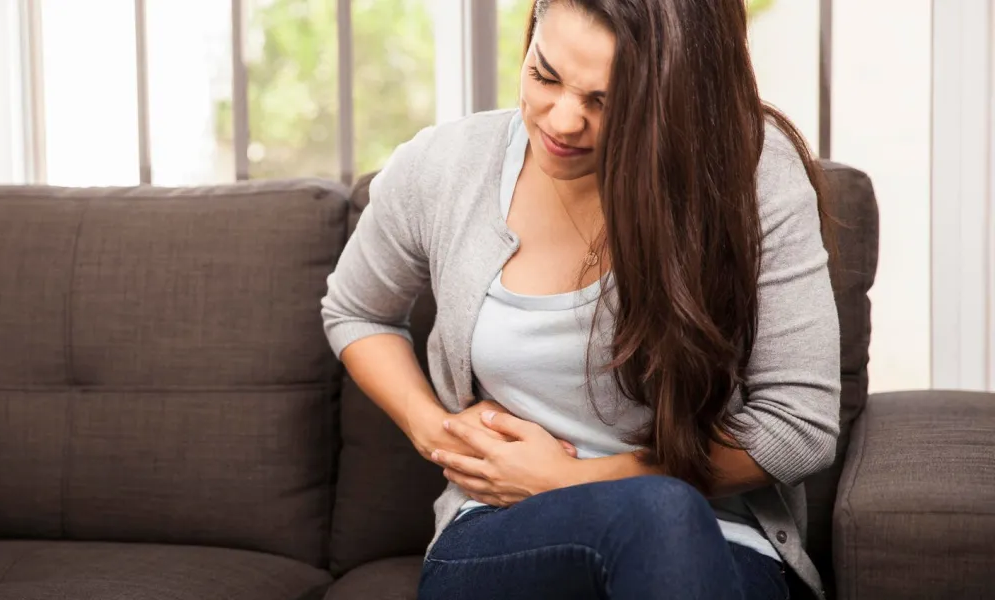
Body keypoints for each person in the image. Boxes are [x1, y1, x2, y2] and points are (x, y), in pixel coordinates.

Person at [320, 0, 840, 598]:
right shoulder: (445, 165)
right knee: (657, 512)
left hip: (720, 543)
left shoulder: (749, 174)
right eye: (544, 75)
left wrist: (570, 479)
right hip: (506, 532)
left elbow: (799, 427)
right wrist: (434, 428)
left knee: (661, 513)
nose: (563, 122)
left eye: (606, 102)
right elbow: (356, 310)